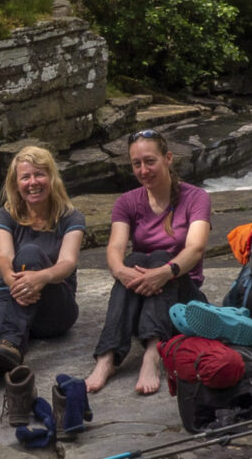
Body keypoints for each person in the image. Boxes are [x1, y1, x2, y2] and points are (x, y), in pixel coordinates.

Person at [0, 146, 85, 411]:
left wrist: (41, 278)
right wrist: (16, 285)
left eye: (39, 175)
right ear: (16, 183)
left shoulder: (71, 217)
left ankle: (11, 339)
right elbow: (4, 259)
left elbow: (67, 263)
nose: (32, 183)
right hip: (12, 296)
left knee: (31, 254)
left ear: (52, 178)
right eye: (25, 177)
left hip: (55, 307)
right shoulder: (5, 215)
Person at [85, 130, 211, 395]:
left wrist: (165, 272)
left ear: (168, 159)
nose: (143, 170)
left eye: (150, 161)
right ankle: (107, 358)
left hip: (184, 297)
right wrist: (121, 271)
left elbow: (196, 248)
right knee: (133, 259)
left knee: (160, 256)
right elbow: (115, 247)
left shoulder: (196, 197)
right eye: (136, 163)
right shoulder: (127, 202)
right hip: (143, 294)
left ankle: (153, 353)